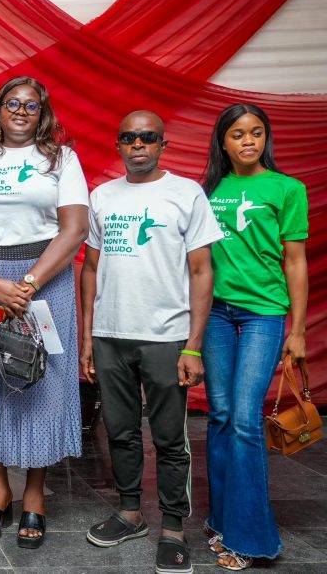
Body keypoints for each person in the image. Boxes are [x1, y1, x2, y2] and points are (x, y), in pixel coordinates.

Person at [80, 111, 221, 574]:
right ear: (118, 145)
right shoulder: (102, 196)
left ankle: (174, 529)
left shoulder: (185, 194)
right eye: (129, 137)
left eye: (148, 137)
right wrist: (88, 336)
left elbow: (202, 271)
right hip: (111, 335)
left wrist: (193, 345)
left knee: (169, 438)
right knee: (119, 431)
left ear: (163, 144)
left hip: (166, 337)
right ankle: (130, 512)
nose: (138, 144)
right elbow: (91, 269)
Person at [0, 76, 88, 549]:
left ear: (42, 113)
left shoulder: (61, 160)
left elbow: (74, 230)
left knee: (42, 382)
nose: (21, 110)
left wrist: (28, 285)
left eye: (31, 105)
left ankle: (35, 495)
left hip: (45, 280)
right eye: (13, 103)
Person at [200, 103, 308, 571]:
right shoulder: (207, 191)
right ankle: (222, 520)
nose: (248, 141)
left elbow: (295, 261)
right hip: (215, 316)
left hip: (263, 314)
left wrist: (298, 329)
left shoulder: (287, 189)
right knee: (220, 415)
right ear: (223, 141)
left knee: (245, 419)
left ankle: (251, 537)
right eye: (238, 134)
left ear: (266, 138)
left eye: (257, 133)